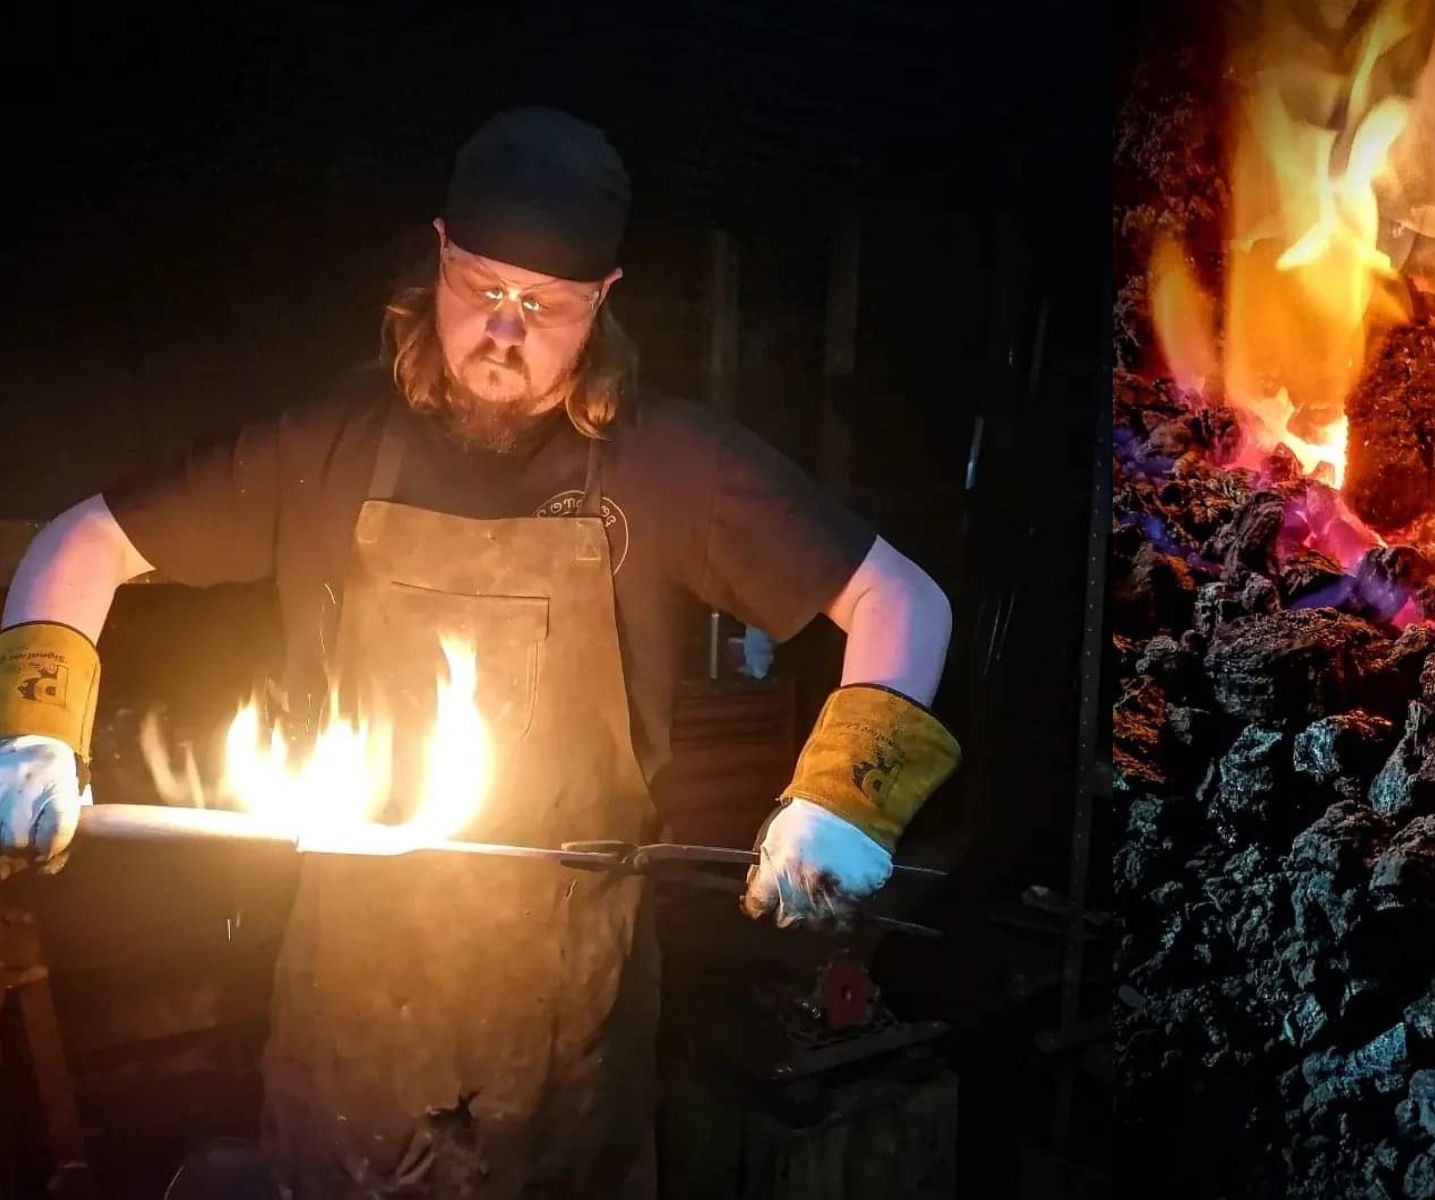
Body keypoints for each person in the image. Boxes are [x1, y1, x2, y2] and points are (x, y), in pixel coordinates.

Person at [0, 106, 959, 1198]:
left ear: (603, 303)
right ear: (441, 257)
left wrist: (845, 796)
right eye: (484, 291)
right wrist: (32, 731)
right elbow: (84, 542)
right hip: (348, 1002)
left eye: (545, 308)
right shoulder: (321, 445)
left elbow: (902, 597)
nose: (505, 332)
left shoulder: (672, 465)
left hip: (567, 1016)